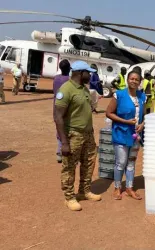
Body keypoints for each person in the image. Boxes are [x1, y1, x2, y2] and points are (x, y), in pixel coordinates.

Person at [54, 60, 101, 211]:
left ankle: (84, 191)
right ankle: (69, 197)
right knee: (69, 166)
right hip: (73, 134)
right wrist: (64, 142)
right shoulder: (66, 89)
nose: (90, 75)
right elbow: (58, 117)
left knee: (88, 163)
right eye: (88, 72)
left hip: (88, 134)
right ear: (80, 73)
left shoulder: (84, 89)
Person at [106, 70, 146, 200]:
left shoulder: (142, 97)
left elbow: (144, 115)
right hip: (121, 133)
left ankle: (129, 187)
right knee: (121, 162)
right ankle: (117, 188)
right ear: (127, 80)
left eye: (136, 80)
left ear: (140, 82)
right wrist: (125, 121)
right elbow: (109, 113)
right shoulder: (119, 95)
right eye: (132, 79)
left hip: (135, 135)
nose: (134, 81)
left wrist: (143, 124)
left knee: (131, 163)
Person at [53, 59, 71, 163]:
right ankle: (62, 151)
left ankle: (59, 151)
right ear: (68, 69)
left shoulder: (56, 79)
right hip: (66, 107)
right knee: (66, 128)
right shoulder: (69, 80)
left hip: (56, 106)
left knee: (58, 127)